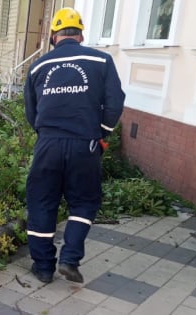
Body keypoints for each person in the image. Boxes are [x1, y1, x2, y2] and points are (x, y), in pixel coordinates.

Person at [24, 7, 125, 284]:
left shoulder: (38, 66)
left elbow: (31, 112)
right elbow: (115, 102)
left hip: (48, 144)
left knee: (42, 202)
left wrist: (46, 134)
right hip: (86, 143)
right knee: (84, 201)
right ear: (80, 35)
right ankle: (69, 259)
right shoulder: (102, 61)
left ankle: (43, 268)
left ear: (54, 35)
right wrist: (103, 134)